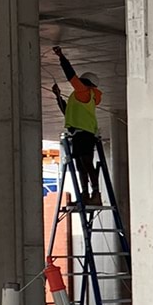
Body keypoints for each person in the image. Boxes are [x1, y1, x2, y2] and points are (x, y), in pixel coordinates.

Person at [51, 46, 103, 207]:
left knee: (86, 163)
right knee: (81, 165)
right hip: (80, 134)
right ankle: (85, 195)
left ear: (89, 84)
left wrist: (61, 57)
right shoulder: (80, 96)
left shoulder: (85, 92)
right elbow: (67, 111)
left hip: (85, 134)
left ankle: (95, 194)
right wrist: (58, 96)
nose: (79, 83)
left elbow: (71, 76)